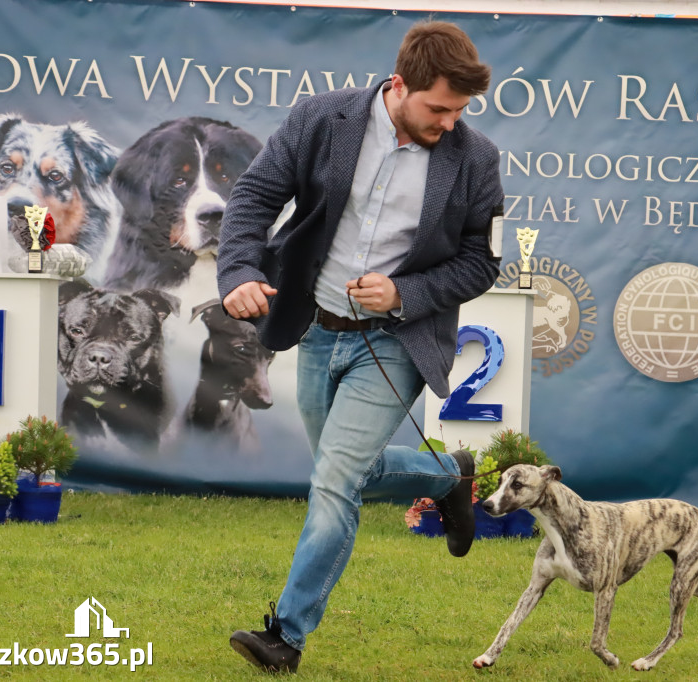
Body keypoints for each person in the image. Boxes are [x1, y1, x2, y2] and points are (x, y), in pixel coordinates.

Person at [217, 20, 503, 674]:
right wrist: (238, 273)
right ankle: (447, 478)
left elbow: (480, 265)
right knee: (349, 475)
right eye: (438, 108)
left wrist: (403, 292)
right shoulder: (322, 119)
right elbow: (256, 197)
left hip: (398, 342)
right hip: (318, 329)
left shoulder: (476, 159)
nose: (450, 123)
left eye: (460, 111)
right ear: (398, 84)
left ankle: (284, 635)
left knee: (336, 481)